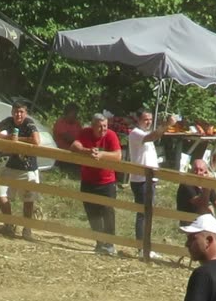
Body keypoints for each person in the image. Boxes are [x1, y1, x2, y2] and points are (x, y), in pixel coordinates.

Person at [0, 100, 42, 239]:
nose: (18, 115)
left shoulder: (29, 123)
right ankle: (9, 224)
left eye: (21, 112)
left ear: (26, 113)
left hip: (28, 168)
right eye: (16, 111)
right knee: (0, 192)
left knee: (28, 200)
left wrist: (18, 140)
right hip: (12, 165)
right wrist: (6, 137)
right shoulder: (9, 121)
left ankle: (27, 228)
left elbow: (36, 140)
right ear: (12, 112)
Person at [69, 112, 122, 255]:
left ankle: (109, 244)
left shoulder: (111, 135)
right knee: (92, 214)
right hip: (88, 181)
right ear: (92, 126)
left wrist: (102, 154)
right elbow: (74, 146)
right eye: (100, 127)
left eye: (105, 126)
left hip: (107, 182)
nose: (103, 129)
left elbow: (118, 155)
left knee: (108, 213)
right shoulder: (85, 133)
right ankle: (99, 242)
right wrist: (87, 151)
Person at [127, 109, 177, 258]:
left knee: (148, 214)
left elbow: (155, 135)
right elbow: (153, 135)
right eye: (145, 119)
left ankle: (145, 246)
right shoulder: (136, 133)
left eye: (150, 119)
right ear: (138, 120)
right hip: (141, 179)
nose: (148, 122)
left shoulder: (144, 135)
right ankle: (142, 248)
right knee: (143, 214)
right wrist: (167, 124)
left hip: (149, 179)